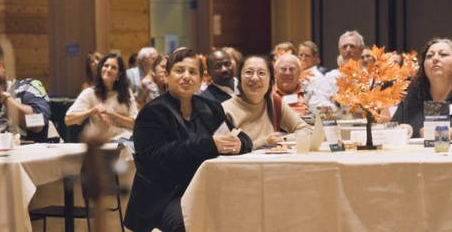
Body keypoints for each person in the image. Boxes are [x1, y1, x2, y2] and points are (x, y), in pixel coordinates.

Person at [124, 49, 252, 232]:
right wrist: (209, 144)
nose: (186, 77)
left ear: (201, 79)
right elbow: (156, 155)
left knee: (245, 211)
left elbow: (242, 137)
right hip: (165, 196)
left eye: (193, 72)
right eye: (179, 71)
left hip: (207, 190)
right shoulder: (152, 112)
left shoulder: (210, 108)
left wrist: (240, 144)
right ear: (166, 76)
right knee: (189, 222)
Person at [222, 55, 311, 150]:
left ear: (271, 81)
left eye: (262, 73)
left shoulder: (275, 103)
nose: (255, 78)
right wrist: (264, 142)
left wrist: (282, 140)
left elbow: (308, 131)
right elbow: (227, 148)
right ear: (239, 78)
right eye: (248, 72)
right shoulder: (225, 110)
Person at [0, 53, 52, 143]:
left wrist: (2, 95)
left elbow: (37, 125)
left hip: (30, 154)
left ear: (1, 66)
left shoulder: (28, 87)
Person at [65, 53, 138, 150]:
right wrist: (92, 111)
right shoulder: (90, 93)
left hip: (129, 137)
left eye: (113, 67)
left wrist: (111, 114)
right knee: (132, 149)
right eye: (106, 66)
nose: (108, 70)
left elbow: (134, 124)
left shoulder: (126, 92)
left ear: (119, 74)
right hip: (107, 143)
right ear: (100, 69)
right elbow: (68, 119)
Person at [317, 30, 366, 117]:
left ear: (361, 50)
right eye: (344, 47)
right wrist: (351, 105)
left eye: (352, 46)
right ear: (339, 50)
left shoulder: (369, 77)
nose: (348, 50)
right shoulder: (330, 77)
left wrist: (336, 101)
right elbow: (322, 111)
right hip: (334, 128)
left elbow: (369, 109)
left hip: (363, 128)